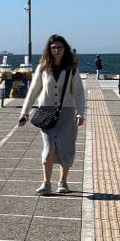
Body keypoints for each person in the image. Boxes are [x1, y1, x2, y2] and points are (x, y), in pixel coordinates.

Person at [19, 34, 86, 194]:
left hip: (67, 114)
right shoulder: (42, 67)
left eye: (60, 47)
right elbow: (34, 90)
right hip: (46, 113)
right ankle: (46, 183)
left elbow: (78, 93)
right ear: (49, 49)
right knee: (49, 148)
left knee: (66, 148)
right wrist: (25, 112)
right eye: (53, 47)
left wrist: (80, 113)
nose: (56, 50)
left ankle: (63, 182)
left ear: (65, 49)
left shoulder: (72, 69)